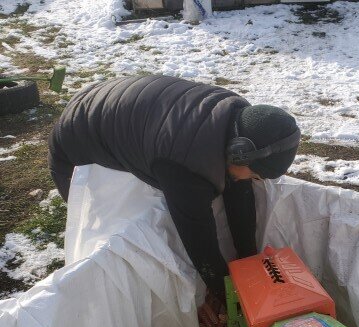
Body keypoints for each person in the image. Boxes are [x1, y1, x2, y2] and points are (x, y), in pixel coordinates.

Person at [48, 74, 300, 302]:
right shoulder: (184, 161)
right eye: (256, 176)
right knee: (107, 241)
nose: (253, 183)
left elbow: (238, 192)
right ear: (239, 153)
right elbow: (200, 242)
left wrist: (251, 260)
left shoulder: (234, 119)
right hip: (75, 144)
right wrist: (231, 297)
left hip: (110, 102)